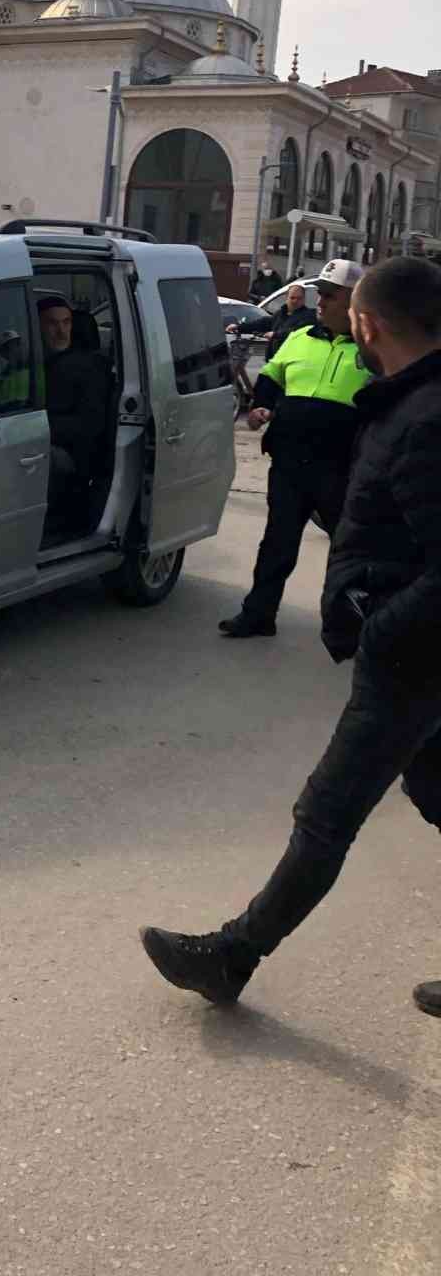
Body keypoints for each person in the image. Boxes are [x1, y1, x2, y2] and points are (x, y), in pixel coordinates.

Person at [141, 255, 441, 1019]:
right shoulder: (413, 401)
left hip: (413, 659)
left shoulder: (424, 417)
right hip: (416, 649)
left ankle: (231, 955)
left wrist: (380, 628)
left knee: (327, 814)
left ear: (369, 323)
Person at [219, 258, 369, 638]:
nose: (320, 302)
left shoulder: (372, 350)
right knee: (277, 543)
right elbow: (271, 378)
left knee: (351, 552)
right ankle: (258, 615)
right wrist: (260, 407)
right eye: (320, 294)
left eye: (330, 296)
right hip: (289, 461)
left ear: (353, 301)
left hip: (341, 468)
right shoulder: (299, 337)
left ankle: (355, 627)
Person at [36, 294, 110, 528]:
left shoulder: (87, 368)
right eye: (52, 323)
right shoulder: (32, 363)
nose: (61, 331)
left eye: (66, 322)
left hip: (74, 455)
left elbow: (90, 424)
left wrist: (39, 426)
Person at [265, 280, 315, 361]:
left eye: (299, 298)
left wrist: (275, 334)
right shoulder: (281, 313)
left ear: (304, 299)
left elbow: (295, 331)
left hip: (292, 360)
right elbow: (266, 322)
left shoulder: (308, 316)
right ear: (286, 298)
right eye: (292, 298)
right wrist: (240, 327)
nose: (295, 301)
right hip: (273, 360)